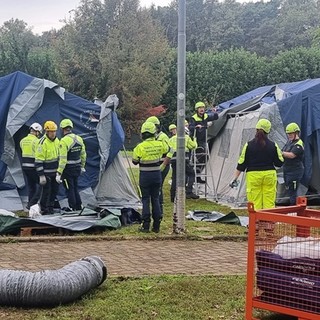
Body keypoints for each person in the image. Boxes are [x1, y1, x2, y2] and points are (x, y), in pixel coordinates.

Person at [230, 119, 284, 210]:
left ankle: (256, 223)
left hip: (253, 176)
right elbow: (279, 162)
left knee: (255, 203)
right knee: (269, 202)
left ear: (256, 130)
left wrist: (234, 179)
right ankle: (269, 222)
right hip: (269, 175)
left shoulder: (248, 145)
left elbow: (241, 164)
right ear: (268, 131)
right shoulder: (273, 145)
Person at [132, 121, 169, 233]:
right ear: (154, 132)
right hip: (157, 175)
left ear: (142, 133)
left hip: (145, 176)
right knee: (156, 199)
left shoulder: (140, 147)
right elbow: (168, 150)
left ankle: (146, 225)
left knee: (145, 200)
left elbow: (134, 161)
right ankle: (157, 225)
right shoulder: (160, 144)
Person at [56, 119, 87, 211]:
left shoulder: (64, 141)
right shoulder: (79, 139)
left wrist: (59, 173)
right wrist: (82, 166)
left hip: (68, 170)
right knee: (75, 187)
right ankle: (79, 205)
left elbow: (63, 159)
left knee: (70, 189)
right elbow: (83, 155)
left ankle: (73, 206)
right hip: (77, 168)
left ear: (62, 129)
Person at [167, 123, 199, 201]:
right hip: (183, 159)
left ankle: (173, 196)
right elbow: (193, 146)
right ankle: (189, 192)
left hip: (173, 159)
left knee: (175, 177)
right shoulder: (187, 137)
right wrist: (194, 139)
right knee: (191, 174)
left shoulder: (171, 139)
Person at [189, 101, 219, 183]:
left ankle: (198, 175)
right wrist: (196, 126)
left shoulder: (206, 116)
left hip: (204, 140)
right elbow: (190, 127)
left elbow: (215, 117)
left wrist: (215, 112)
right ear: (197, 110)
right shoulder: (193, 118)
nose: (202, 109)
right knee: (198, 158)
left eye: (203, 108)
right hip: (196, 141)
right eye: (200, 108)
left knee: (205, 158)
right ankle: (192, 176)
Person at [146, 116, 170, 215]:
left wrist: (163, 165)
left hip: (162, 165)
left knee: (158, 187)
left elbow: (170, 151)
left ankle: (159, 208)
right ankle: (157, 206)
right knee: (156, 187)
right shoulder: (154, 137)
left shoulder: (163, 137)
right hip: (156, 165)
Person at [35, 120, 60, 214]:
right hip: (46, 173)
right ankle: (44, 209)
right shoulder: (42, 143)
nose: (53, 133)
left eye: (54, 131)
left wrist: (59, 172)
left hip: (55, 172)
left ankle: (50, 208)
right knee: (46, 192)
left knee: (54, 191)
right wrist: (41, 175)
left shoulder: (57, 141)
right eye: (51, 132)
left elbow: (60, 157)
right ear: (46, 131)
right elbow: (38, 160)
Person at [20, 122, 43, 209]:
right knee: (42, 184)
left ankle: (30, 204)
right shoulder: (37, 141)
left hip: (25, 167)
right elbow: (38, 155)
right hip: (33, 167)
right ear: (37, 132)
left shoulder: (22, 141)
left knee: (31, 187)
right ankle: (32, 203)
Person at [282, 122, 304, 205]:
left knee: (293, 193)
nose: (289, 135)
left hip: (295, 171)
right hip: (287, 170)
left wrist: (281, 153)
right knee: (290, 190)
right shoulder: (289, 142)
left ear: (296, 133)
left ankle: (294, 210)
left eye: (290, 133)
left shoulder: (299, 144)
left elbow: (292, 155)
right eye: (288, 134)